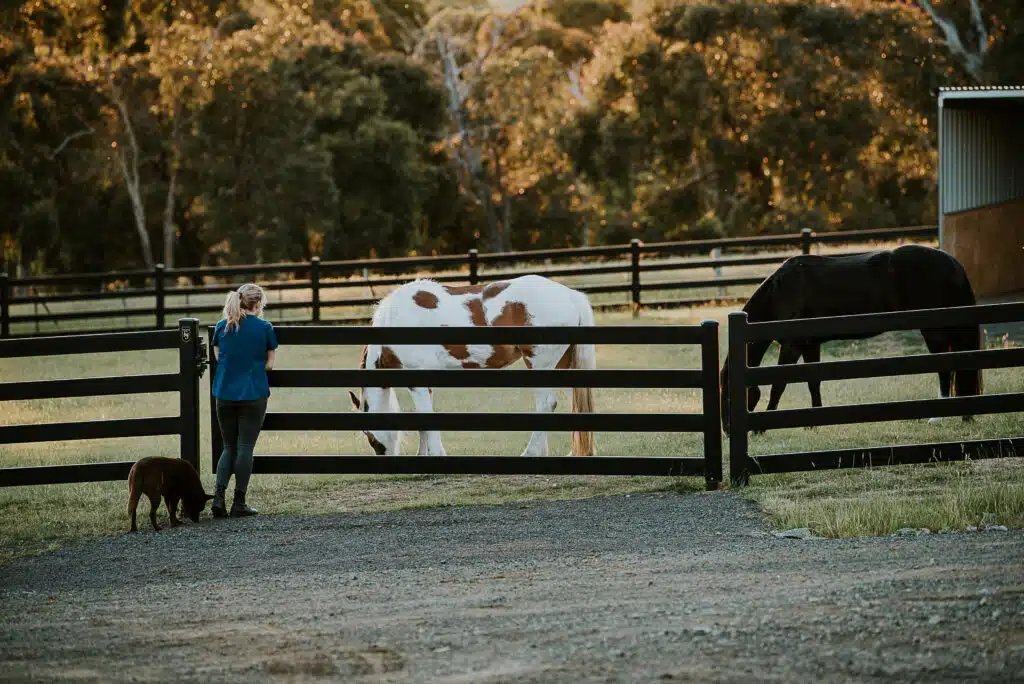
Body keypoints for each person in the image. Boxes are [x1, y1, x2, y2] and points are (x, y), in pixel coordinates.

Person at [210, 283, 278, 518]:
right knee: (245, 447)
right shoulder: (265, 328)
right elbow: (269, 364)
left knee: (228, 447)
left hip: (224, 394)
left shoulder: (222, 326)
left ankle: (218, 498)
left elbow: (219, 357)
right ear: (258, 304)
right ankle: (239, 502)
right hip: (253, 393)